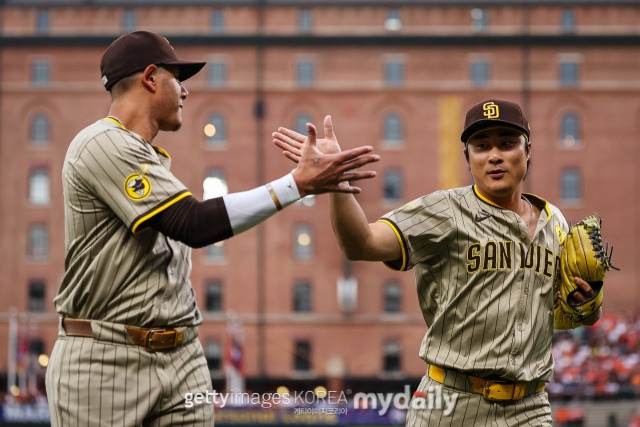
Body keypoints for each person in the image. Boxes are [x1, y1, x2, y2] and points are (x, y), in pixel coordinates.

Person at [45, 30, 379, 427]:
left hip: (182, 355)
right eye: (177, 79)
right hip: (104, 359)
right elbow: (193, 224)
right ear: (151, 78)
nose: (185, 92)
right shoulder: (100, 142)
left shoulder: (151, 159)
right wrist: (296, 184)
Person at [273, 99, 601, 426]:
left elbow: (557, 315)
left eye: (507, 143)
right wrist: (338, 181)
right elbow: (362, 243)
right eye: (481, 146)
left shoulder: (555, 222)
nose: (495, 155)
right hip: (450, 403)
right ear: (467, 158)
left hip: (530, 407)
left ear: (528, 150)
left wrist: (587, 304)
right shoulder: (444, 211)